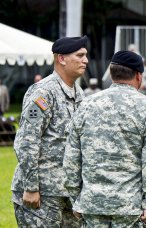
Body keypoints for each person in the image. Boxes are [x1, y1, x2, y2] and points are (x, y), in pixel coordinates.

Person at [63, 50, 146, 227]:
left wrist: (75, 198)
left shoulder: (86, 105)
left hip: (91, 204)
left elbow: (72, 156)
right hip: (129, 207)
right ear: (139, 76)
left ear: (111, 74)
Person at [11, 36, 88, 227]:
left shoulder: (79, 94)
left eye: (85, 55)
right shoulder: (43, 93)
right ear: (61, 59)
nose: (85, 60)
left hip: (69, 192)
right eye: (79, 55)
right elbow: (27, 141)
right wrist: (31, 187)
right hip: (42, 193)